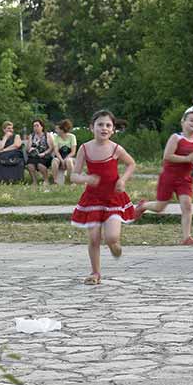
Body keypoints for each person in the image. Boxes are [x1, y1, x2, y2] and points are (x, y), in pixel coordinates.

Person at [70, 110, 137, 285]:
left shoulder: (115, 148)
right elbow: (74, 175)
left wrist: (123, 179)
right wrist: (86, 178)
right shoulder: (84, 148)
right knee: (93, 238)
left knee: (111, 238)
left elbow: (131, 164)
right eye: (100, 124)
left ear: (113, 130)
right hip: (92, 199)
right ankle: (95, 273)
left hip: (113, 198)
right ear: (92, 127)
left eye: (108, 125)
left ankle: (115, 247)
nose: (104, 128)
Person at [134, 109, 193, 245]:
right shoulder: (176, 137)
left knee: (187, 206)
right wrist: (186, 159)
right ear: (183, 122)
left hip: (185, 179)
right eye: (191, 120)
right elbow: (167, 156)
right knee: (160, 207)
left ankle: (186, 237)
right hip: (169, 176)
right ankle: (143, 206)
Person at [25, 119, 55, 187]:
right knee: (30, 165)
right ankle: (34, 181)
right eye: (34, 126)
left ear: (42, 127)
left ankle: (46, 181)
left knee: (40, 165)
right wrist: (30, 149)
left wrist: (44, 153)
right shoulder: (31, 136)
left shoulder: (47, 135)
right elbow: (27, 149)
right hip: (34, 155)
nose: (35, 127)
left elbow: (51, 148)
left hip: (45, 156)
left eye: (37, 125)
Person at [50, 119, 77, 185]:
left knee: (69, 161)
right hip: (59, 156)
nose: (56, 131)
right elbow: (56, 151)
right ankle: (55, 181)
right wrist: (62, 160)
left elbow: (73, 152)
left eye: (57, 129)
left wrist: (65, 159)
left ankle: (71, 181)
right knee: (54, 161)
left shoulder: (72, 137)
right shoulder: (56, 137)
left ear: (62, 130)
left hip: (69, 156)